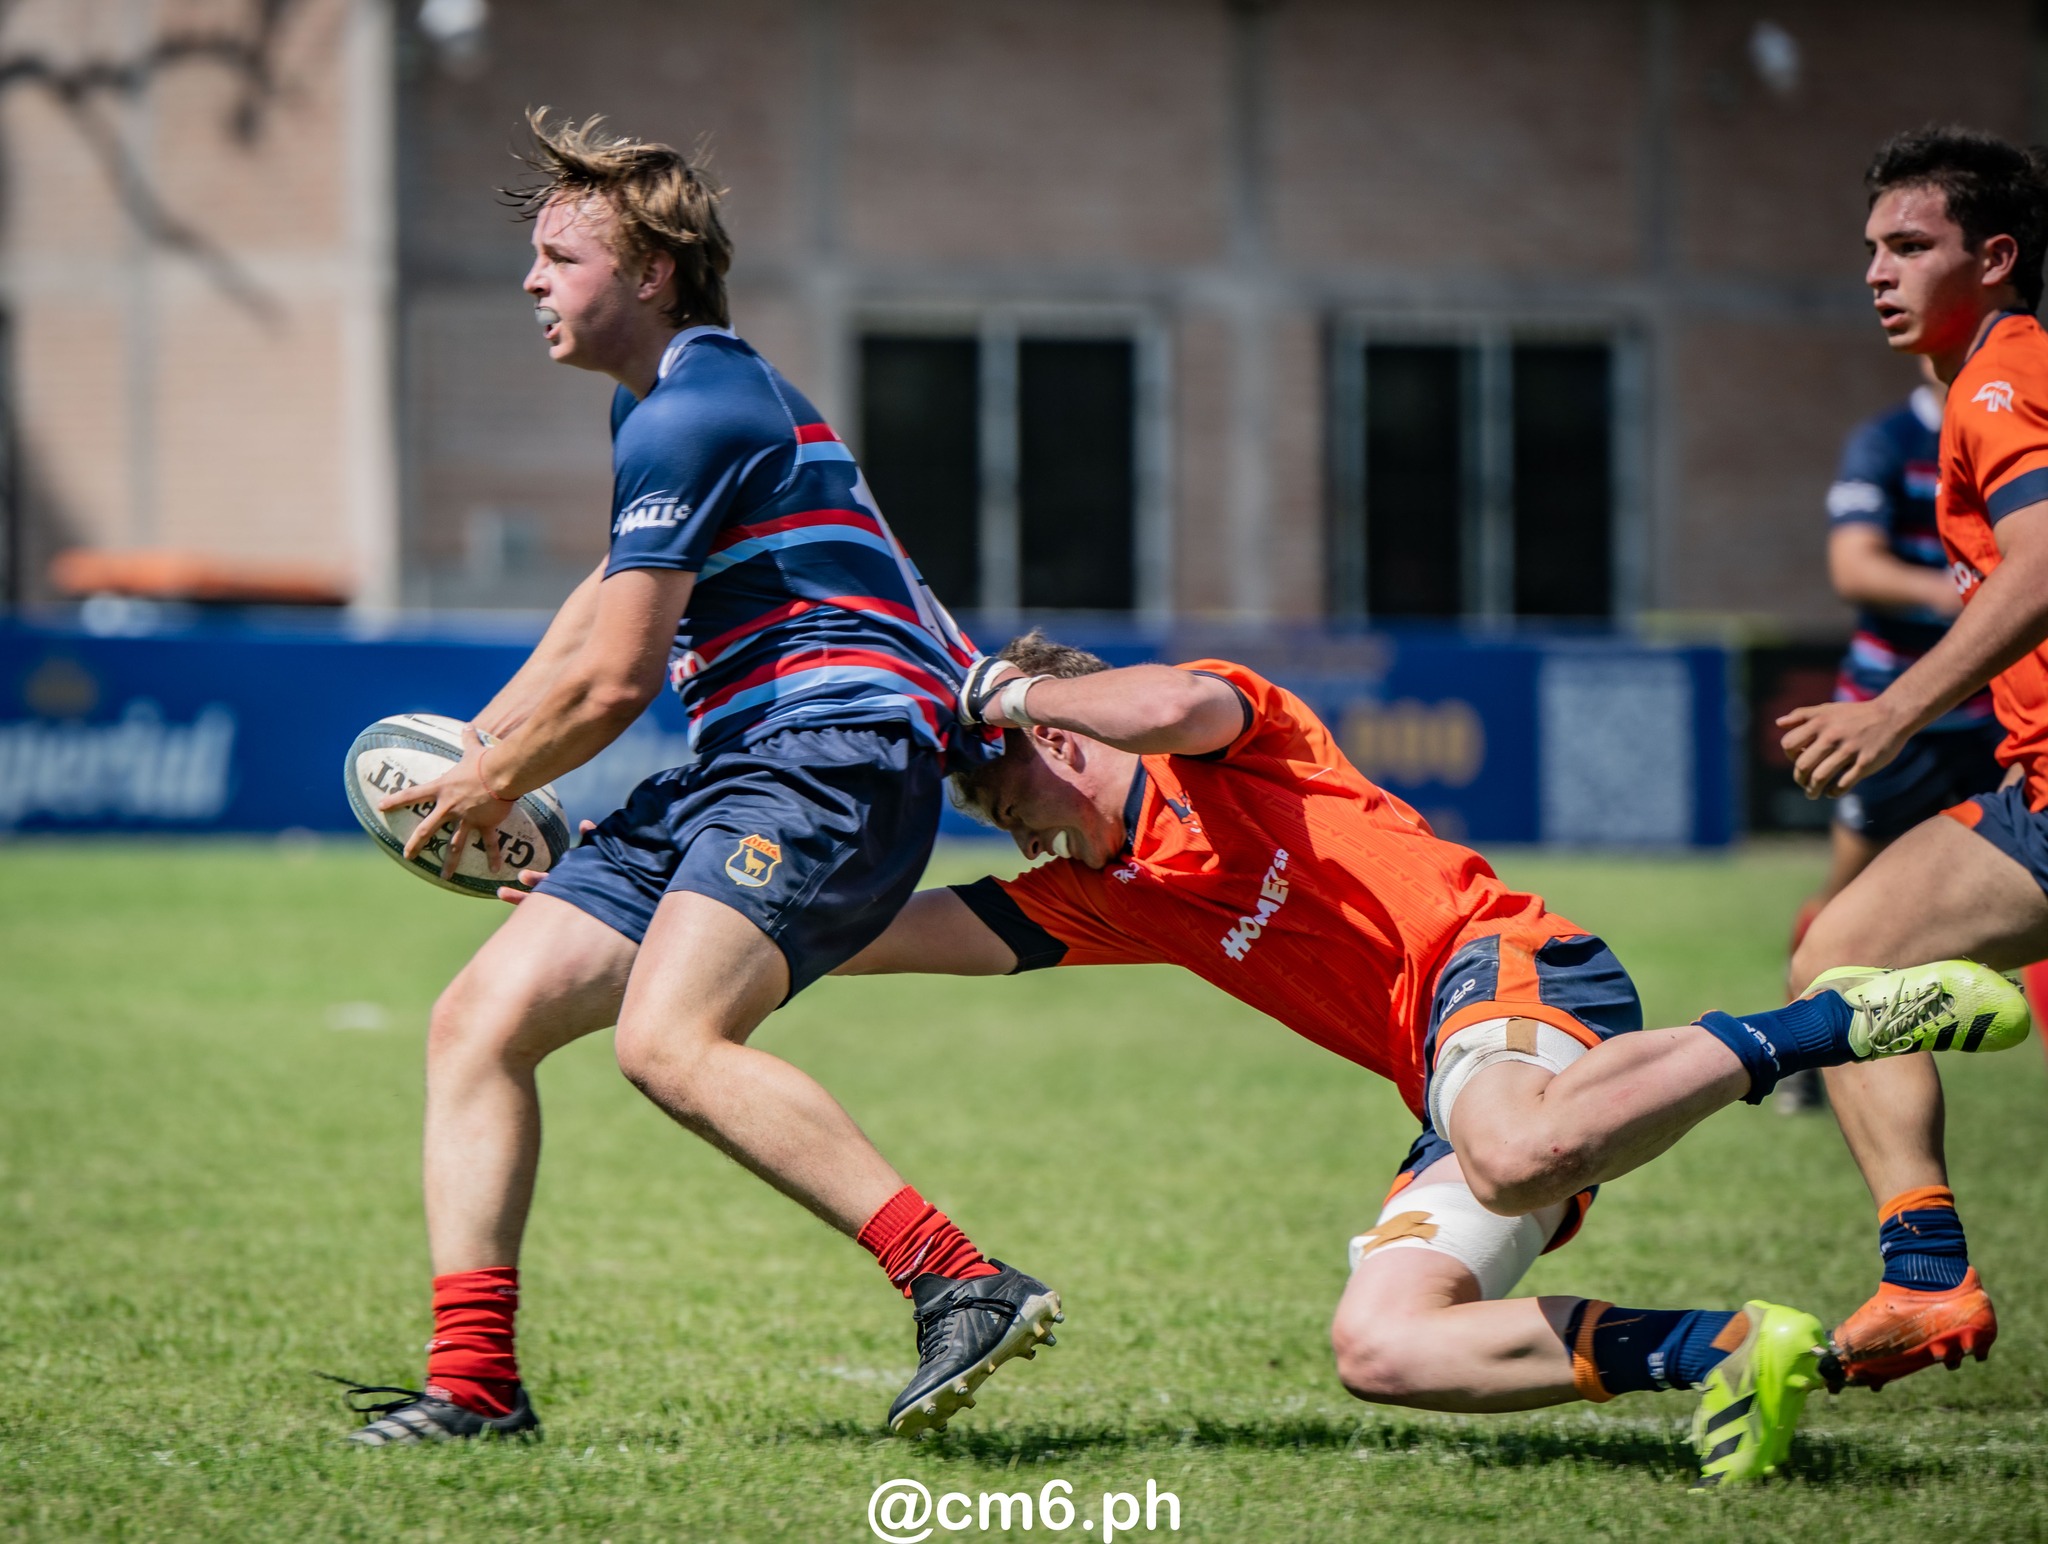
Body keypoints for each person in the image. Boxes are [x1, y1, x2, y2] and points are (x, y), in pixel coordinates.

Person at [831, 632, 2028, 1488]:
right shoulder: (1107, 897)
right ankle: (1725, 1349)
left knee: (1509, 1150)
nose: (1011, 825)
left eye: (1005, 789)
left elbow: (1162, 707)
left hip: (1505, 963)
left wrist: (997, 681)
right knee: (1381, 1343)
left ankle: (1831, 1025)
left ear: (1056, 731)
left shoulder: (1233, 745)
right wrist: (747, 892)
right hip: (1456, 1076)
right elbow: (876, 937)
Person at [337, 112, 1061, 1445]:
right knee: (479, 1022)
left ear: (654, 270)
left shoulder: (698, 409)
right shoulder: (663, 408)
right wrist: (475, 750)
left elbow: (616, 687)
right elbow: (594, 612)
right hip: (755, 771)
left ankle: (959, 1279)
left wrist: (488, 791)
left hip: (833, 769)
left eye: (561, 256)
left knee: (667, 1043)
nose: (532, 281)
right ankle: (476, 1389)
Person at [1781, 125, 2048, 1393]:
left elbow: (2044, 566)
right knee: (1842, 950)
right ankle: (1923, 1277)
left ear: (1993, 258)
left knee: (1843, 954)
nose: (1877, 273)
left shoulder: (2000, 378)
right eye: (1870, 250)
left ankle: (1926, 1276)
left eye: (1908, 246)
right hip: (2033, 794)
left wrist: (1888, 711)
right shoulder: (1978, 384)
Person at [1777, 361, 2005, 1113]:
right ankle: (1799, 1057)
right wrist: (1958, 592)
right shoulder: (1887, 441)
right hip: (1888, 722)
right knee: (1845, 908)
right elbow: (1853, 565)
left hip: (1997, 717)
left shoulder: (2010, 427)